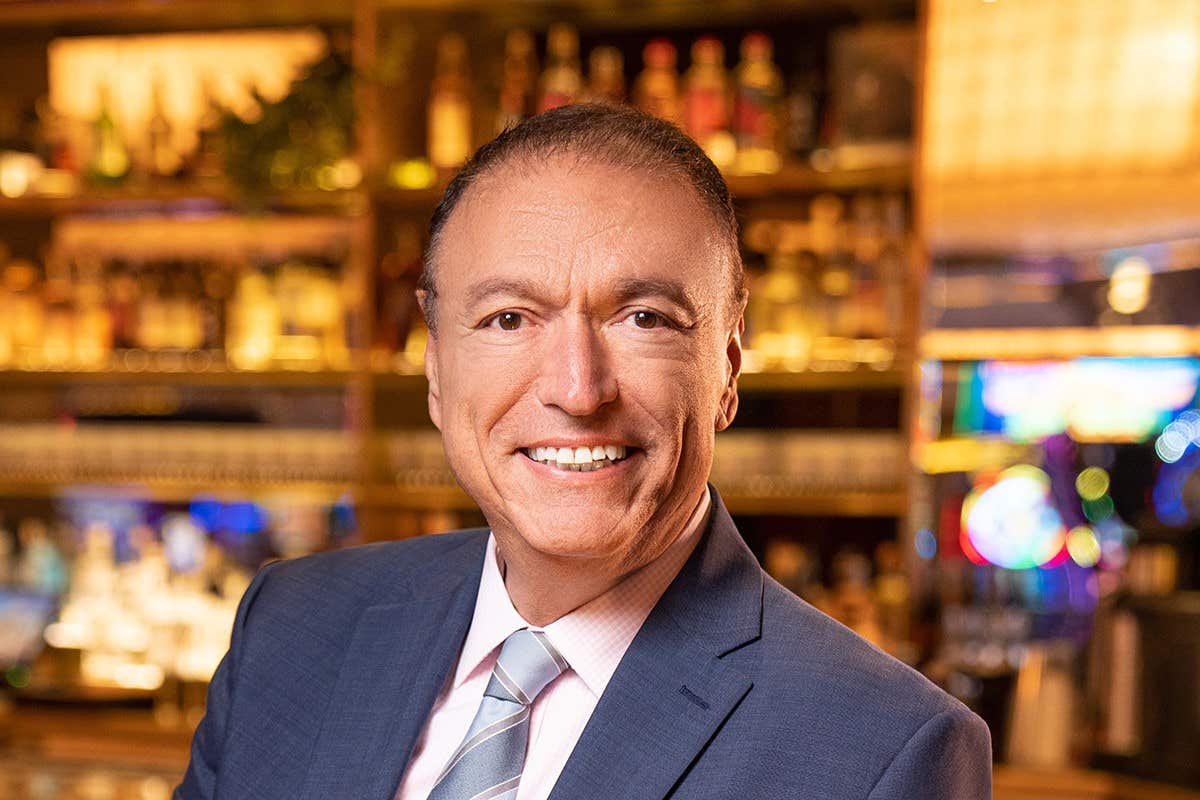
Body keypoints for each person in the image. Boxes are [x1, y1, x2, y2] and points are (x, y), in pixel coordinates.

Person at [175, 104, 991, 800]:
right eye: (508, 319)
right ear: (434, 370)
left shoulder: (883, 752)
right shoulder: (291, 626)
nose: (577, 388)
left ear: (728, 372)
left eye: (644, 319)